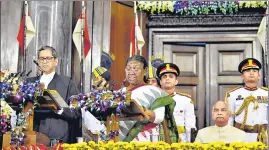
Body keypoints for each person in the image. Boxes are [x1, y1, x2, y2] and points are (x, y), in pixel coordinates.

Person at [26, 46, 81, 144]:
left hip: (58, 139)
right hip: (33, 137)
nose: (44, 61)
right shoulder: (30, 83)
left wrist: (57, 106)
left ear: (56, 61)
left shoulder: (67, 83)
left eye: (48, 58)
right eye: (41, 58)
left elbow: (76, 112)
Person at [120, 55, 177, 142]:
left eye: (136, 69)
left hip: (144, 139)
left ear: (145, 70)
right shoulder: (119, 93)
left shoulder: (155, 92)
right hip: (119, 139)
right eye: (128, 68)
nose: (131, 72)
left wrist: (141, 111)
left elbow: (159, 117)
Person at [225, 58, 268, 143]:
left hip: (263, 136)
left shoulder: (266, 94)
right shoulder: (233, 94)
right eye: (248, 71)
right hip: (240, 136)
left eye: (255, 71)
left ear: (259, 76)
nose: (251, 73)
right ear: (242, 76)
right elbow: (229, 119)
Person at [156, 63, 196, 142]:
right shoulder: (153, 101)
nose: (167, 79)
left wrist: (189, 145)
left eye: (171, 76)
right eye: (164, 77)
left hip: (180, 143)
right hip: (157, 143)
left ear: (176, 81)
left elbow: (190, 127)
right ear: (160, 82)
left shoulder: (185, 101)